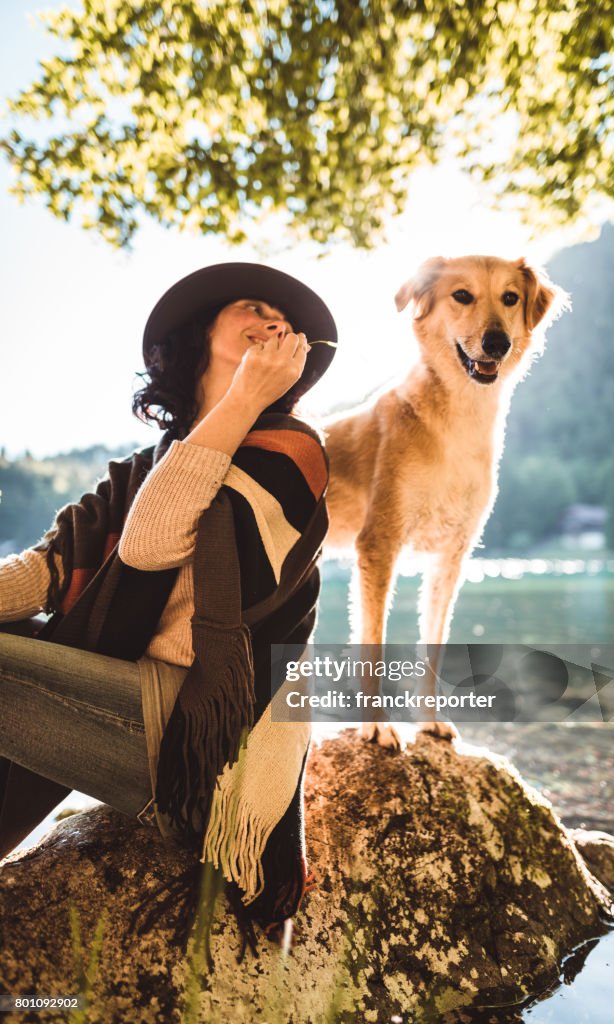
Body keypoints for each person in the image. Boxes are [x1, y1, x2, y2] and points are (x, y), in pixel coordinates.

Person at [0, 262, 337, 952]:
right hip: (132, 705)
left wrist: (243, 399)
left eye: (286, 321)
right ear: (198, 333)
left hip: (203, 745)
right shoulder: (147, 467)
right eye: (252, 306)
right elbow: (41, 576)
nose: (275, 322)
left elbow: (150, 545)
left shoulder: (291, 454)